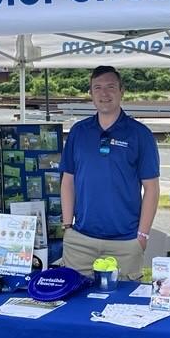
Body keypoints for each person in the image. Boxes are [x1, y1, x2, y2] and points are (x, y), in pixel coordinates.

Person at [60, 66, 160, 280]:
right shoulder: (79, 132)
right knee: (75, 307)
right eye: (98, 88)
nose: (104, 94)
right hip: (81, 241)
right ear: (91, 94)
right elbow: (68, 180)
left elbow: (151, 189)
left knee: (124, 309)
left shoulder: (140, 134)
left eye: (110, 87)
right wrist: (67, 226)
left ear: (122, 91)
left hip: (125, 242)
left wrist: (142, 235)